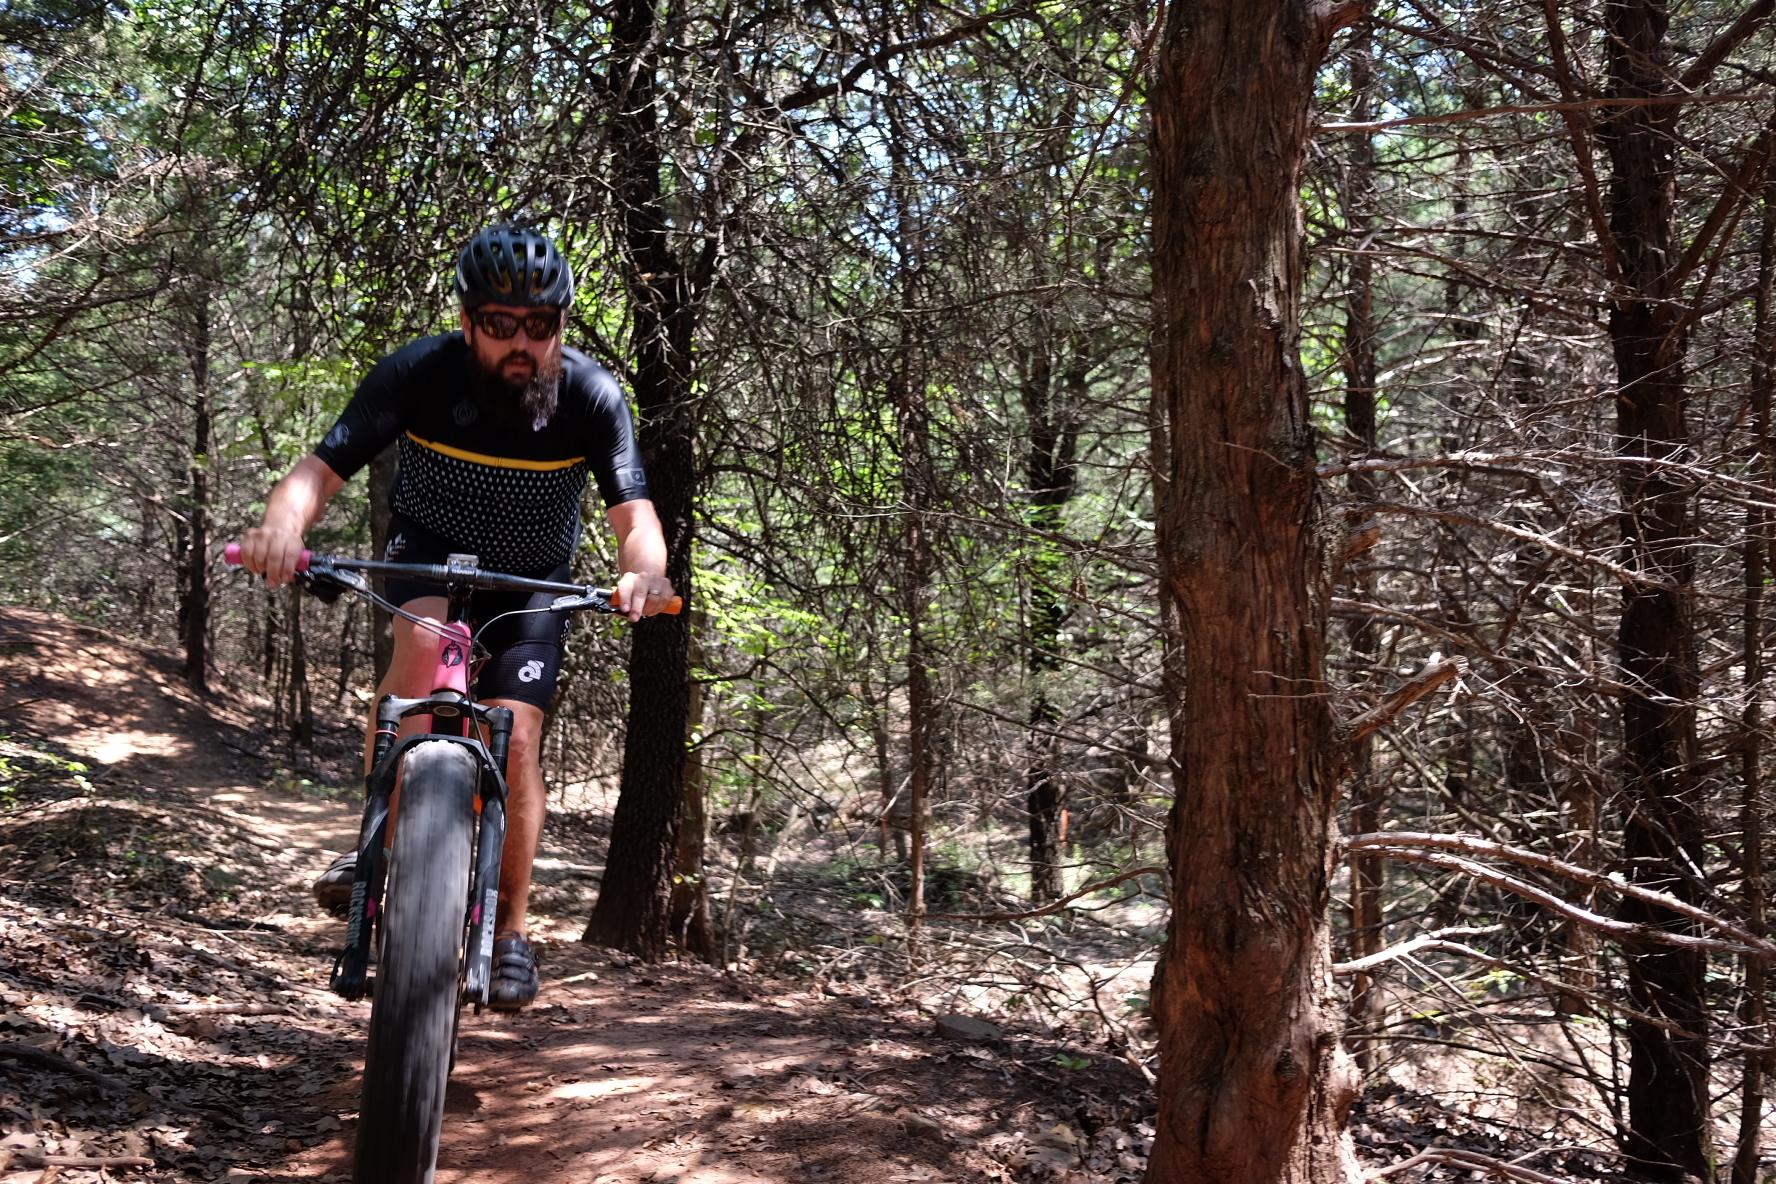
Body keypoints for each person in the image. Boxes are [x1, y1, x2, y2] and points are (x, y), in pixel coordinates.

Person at [238, 225, 677, 1010]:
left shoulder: (589, 394)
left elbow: (633, 511)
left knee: (519, 740)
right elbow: (320, 468)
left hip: (530, 577)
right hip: (426, 553)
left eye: (539, 325)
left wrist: (644, 573)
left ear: (561, 325)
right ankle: (381, 840)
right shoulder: (420, 373)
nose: (521, 343)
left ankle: (510, 933)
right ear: (469, 320)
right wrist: (283, 529)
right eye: (501, 324)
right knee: (425, 648)